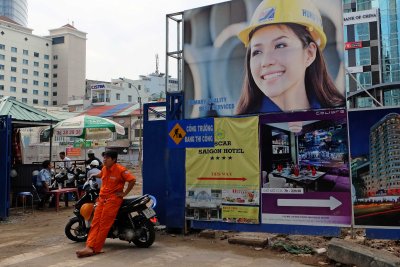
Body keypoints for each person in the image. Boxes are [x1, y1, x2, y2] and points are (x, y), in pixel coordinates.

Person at [236, 0, 345, 114]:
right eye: (257, 52)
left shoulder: (341, 117)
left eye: (280, 45)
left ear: (309, 54)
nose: (266, 62)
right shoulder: (241, 127)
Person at [76, 150, 136, 258]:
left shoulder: (121, 170)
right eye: (104, 158)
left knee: (103, 224)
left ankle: (95, 249)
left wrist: (125, 193)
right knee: (95, 222)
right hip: (102, 199)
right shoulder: (104, 168)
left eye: (107, 158)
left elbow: (132, 180)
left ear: (113, 160)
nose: (104, 160)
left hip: (113, 200)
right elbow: (102, 175)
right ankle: (89, 246)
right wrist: (94, 174)